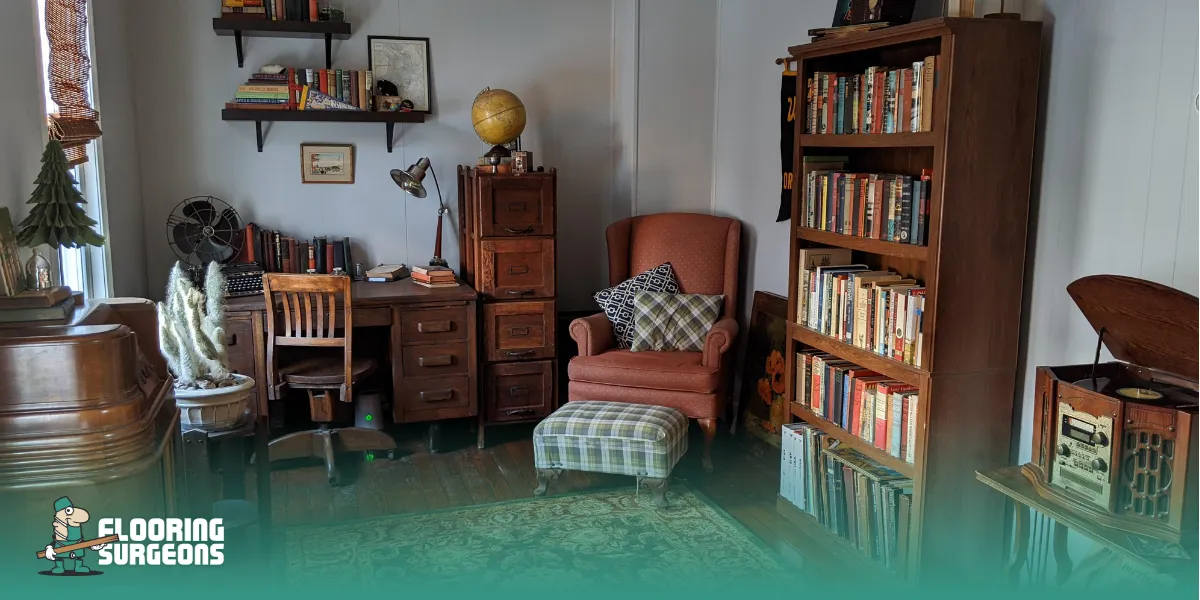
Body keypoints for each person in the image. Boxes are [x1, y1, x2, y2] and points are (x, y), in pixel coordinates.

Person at [43, 496, 108, 575]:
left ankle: (79, 567)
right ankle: (59, 567)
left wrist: (92, 546)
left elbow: (82, 543)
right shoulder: (60, 527)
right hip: (61, 546)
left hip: (77, 547)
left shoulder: (75, 526)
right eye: (68, 510)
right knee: (59, 556)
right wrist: (49, 548)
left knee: (78, 555)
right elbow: (55, 541)